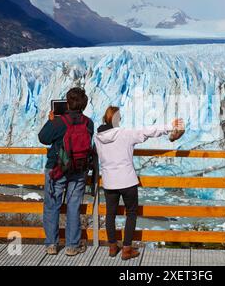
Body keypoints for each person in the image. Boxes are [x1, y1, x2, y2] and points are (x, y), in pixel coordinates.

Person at [95, 106, 184, 260]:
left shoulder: (98, 137)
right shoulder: (125, 134)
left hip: (109, 182)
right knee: (131, 213)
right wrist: (170, 126)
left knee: (110, 214)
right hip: (127, 181)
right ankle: (127, 249)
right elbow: (148, 131)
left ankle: (112, 247)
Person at [38, 87, 95, 256]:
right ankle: (72, 246)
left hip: (57, 169)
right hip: (78, 170)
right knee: (73, 207)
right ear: (84, 104)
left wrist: (50, 120)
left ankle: (51, 244)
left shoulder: (58, 122)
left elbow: (43, 138)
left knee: (52, 206)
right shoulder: (88, 123)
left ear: (67, 103)